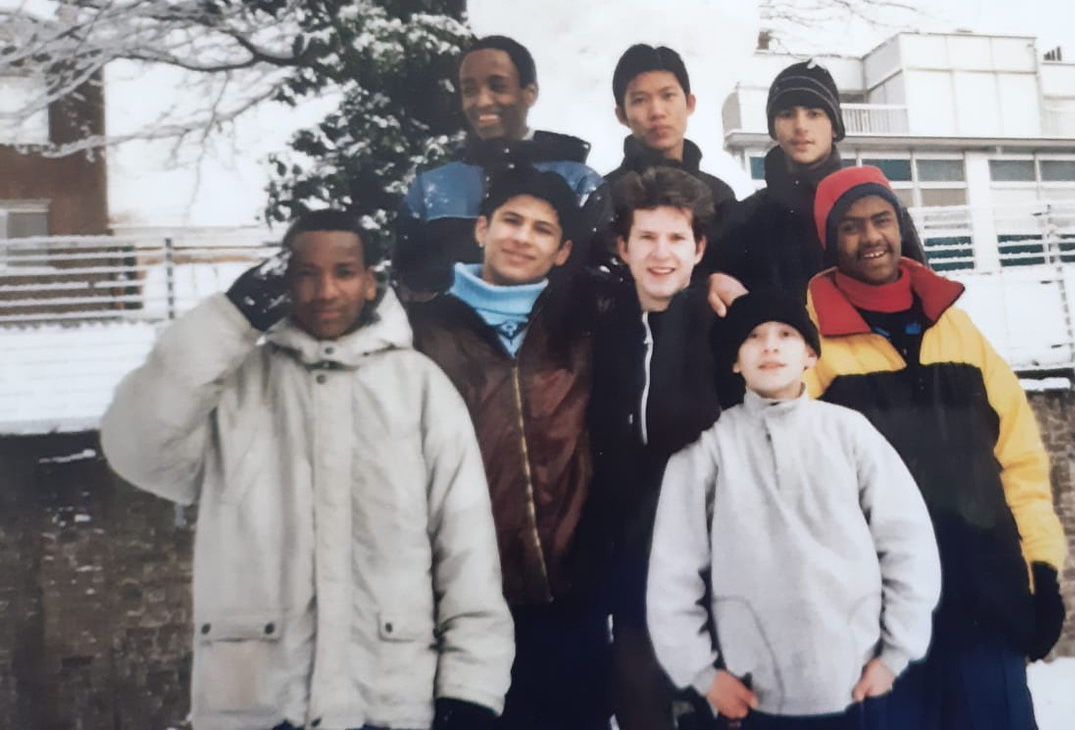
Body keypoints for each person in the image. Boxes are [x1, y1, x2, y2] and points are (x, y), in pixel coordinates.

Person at [101, 210, 512, 730]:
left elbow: (468, 554)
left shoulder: (420, 390)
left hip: (386, 703)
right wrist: (229, 319)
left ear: (370, 282)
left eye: (343, 272)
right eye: (305, 273)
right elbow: (137, 448)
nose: (325, 291)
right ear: (282, 282)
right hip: (255, 704)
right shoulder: (233, 388)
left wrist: (470, 690)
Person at [802, 166, 1068, 729]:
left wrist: (1042, 569)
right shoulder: (808, 345)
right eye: (851, 226)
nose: (871, 237)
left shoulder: (959, 328)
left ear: (900, 224)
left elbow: (1020, 462)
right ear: (830, 240)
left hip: (983, 603)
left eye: (881, 219)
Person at [647, 290, 941, 729]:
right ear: (733, 360)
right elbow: (673, 569)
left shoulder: (848, 432)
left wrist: (896, 653)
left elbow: (907, 541)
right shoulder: (708, 448)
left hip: (857, 687)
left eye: (786, 334)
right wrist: (703, 674)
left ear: (808, 354)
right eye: (753, 336)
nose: (770, 346)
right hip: (755, 697)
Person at [407, 167, 609, 729]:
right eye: (511, 221)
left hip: (574, 592)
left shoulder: (582, 322)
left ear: (564, 250)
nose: (523, 238)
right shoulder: (423, 332)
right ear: (481, 229)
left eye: (543, 229)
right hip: (471, 602)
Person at [585, 166, 728, 730]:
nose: (661, 253)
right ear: (623, 247)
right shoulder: (600, 333)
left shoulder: (724, 330)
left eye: (676, 238)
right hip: (632, 571)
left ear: (699, 249)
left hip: (718, 573)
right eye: (646, 237)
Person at [394, 34, 608, 296]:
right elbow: (407, 286)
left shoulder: (580, 183)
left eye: (497, 86)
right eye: (470, 90)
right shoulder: (430, 189)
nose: (482, 101)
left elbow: (597, 286)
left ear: (530, 93)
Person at [708, 60, 849, 310]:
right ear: (774, 127)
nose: (800, 126)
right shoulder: (746, 217)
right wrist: (709, 282)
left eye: (814, 113)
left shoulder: (867, 207)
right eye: (786, 114)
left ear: (835, 127)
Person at [605, 43, 736, 215]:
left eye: (668, 96)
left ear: (689, 103)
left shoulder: (719, 196)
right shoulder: (606, 196)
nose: (657, 112)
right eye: (640, 100)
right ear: (621, 115)